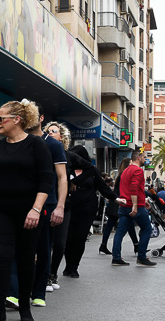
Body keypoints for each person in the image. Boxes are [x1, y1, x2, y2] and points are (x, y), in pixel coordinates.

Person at [0, 100, 52, 321]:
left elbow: (46, 179)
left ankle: (24, 306)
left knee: (25, 259)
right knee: (1, 258)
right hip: (2, 209)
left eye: (2, 118)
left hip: (29, 211)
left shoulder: (36, 145)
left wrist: (36, 209)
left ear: (17, 120)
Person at [6, 106, 66, 309]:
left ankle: (39, 292)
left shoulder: (53, 145)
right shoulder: (15, 141)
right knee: (15, 248)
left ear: (40, 118)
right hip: (19, 202)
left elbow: (62, 177)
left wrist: (60, 206)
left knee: (41, 249)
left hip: (46, 204)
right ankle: (13, 293)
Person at [61, 145, 116, 278]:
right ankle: (67, 266)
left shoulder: (92, 171)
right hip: (69, 209)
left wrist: (116, 198)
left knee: (80, 239)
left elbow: (103, 188)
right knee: (68, 239)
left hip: (87, 210)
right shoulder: (66, 169)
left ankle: (74, 267)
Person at [112, 149, 156, 267]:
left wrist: (142, 200)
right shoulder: (138, 170)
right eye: (144, 157)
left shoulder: (125, 171)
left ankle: (116, 257)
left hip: (124, 204)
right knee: (147, 228)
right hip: (134, 206)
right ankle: (141, 257)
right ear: (138, 158)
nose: (145, 159)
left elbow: (131, 189)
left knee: (120, 232)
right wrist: (136, 205)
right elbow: (134, 188)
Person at [44, 120, 71, 291]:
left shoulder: (69, 157)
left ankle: (53, 273)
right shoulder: (42, 151)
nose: (50, 133)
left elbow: (93, 174)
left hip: (63, 205)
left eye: (54, 131)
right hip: (46, 201)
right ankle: (44, 277)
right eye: (48, 131)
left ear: (61, 137)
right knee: (44, 243)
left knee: (59, 243)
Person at [100, 159, 139, 255]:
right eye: (130, 163)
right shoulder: (125, 175)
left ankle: (103, 245)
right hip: (120, 201)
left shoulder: (120, 175)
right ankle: (136, 245)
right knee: (127, 223)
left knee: (113, 224)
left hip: (116, 201)